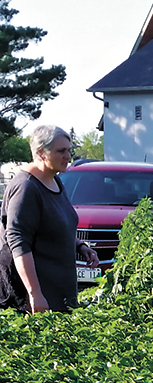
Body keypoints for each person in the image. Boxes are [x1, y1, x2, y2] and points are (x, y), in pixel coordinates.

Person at [0, 125, 99, 313]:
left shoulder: (54, 179)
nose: (67, 156)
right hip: (33, 301)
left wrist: (79, 246)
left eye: (69, 150)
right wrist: (34, 293)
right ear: (41, 153)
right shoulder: (26, 188)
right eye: (61, 151)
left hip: (57, 293)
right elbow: (18, 241)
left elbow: (55, 223)